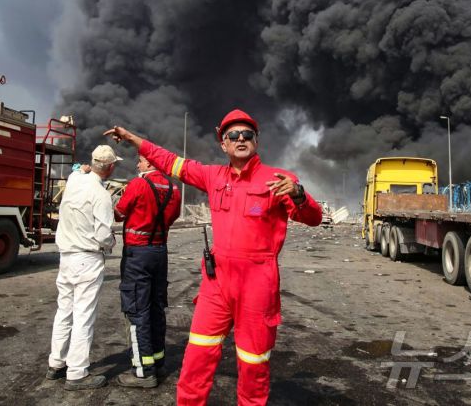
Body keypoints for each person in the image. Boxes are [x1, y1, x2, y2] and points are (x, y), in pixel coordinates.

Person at [105, 109, 322, 405]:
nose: (241, 139)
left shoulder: (279, 180)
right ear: (224, 144)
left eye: (247, 134)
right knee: (196, 357)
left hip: (257, 286)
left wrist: (299, 194)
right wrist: (132, 139)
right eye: (233, 135)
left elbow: (313, 218)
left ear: (256, 141)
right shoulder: (212, 176)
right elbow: (170, 161)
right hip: (216, 285)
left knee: (253, 364)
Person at [46, 145, 122, 390]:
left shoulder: (74, 180)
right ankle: (77, 373)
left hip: (66, 257)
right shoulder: (101, 195)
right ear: (110, 167)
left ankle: (56, 363)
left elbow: (78, 171)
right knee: (84, 316)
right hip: (87, 259)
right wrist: (111, 242)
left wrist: (82, 169)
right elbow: (103, 235)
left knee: (64, 311)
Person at [114, 155, 182, 388]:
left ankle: (143, 371)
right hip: (160, 252)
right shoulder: (174, 189)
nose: (138, 164)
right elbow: (173, 216)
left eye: (141, 161)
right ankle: (157, 361)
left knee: (136, 311)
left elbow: (119, 213)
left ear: (151, 163)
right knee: (156, 307)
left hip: (137, 254)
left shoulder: (138, 184)